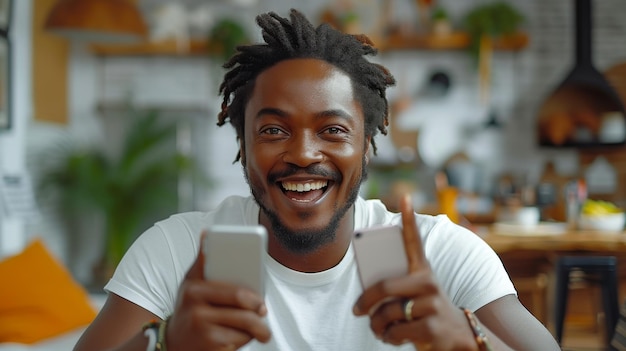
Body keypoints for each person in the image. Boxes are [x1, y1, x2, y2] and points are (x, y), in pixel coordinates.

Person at [74, 9, 560, 351]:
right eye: (273, 130)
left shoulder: (438, 253)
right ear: (243, 147)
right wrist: (165, 345)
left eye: (332, 130)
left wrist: (465, 340)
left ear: (367, 145)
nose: (303, 153)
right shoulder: (179, 249)